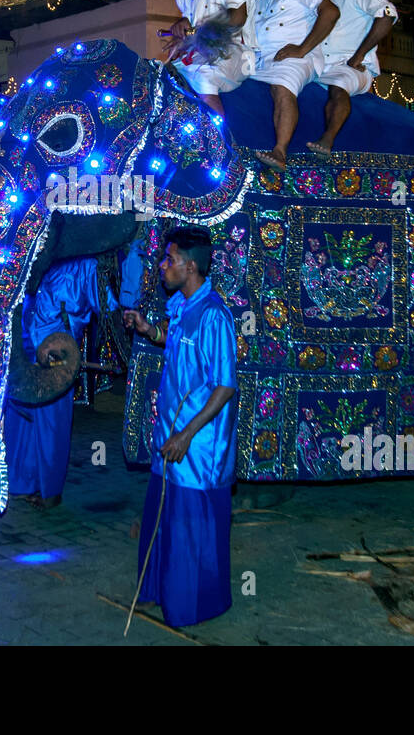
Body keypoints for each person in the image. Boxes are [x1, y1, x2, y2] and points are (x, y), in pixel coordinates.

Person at [123, 225, 239, 628]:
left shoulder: (215, 316)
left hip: (197, 449)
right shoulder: (183, 307)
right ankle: (159, 591)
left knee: (190, 529)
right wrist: (148, 330)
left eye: (169, 259)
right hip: (170, 441)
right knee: (163, 519)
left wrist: (187, 435)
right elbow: (176, 341)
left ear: (190, 267)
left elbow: (225, 386)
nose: (162, 265)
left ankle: (192, 606)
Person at [6, 257, 116, 509]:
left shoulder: (85, 265)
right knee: (21, 419)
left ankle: (50, 490)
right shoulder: (31, 255)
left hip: (57, 358)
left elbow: (108, 305)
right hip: (24, 350)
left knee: (51, 424)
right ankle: (21, 483)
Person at [248, 0, 340, 171]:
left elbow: (331, 12)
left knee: (281, 85)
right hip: (259, 58)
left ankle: (280, 151)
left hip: (295, 58)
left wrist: (301, 49)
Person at [302, 0, 398, 156]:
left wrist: (359, 56)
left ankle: (328, 140)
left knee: (338, 84)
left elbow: (386, 15)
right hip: (316, 66)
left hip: (350, 66)